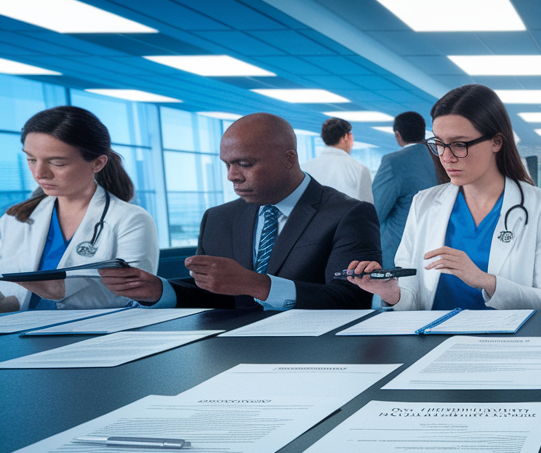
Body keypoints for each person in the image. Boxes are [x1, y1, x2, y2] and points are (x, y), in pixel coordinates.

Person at [99, 113, 380, 309]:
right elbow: (216, 295)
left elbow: (353, 299)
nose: (232, 176)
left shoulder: (349, 214)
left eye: (245, 164)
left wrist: (260, 285)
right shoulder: (218, 218)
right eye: (227, 164)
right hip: (228, 356)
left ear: (289, 159)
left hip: (314, 357)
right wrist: (162, 291)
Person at [344, 85, 541, 310]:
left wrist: (485, 281)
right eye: (439, 144)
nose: (446, 157)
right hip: (434, 341)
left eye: (459, 145)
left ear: (496, 142)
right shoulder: (424, 203)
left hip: (503, 342)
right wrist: (391, 293)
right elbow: (412, 300)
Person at [0, 106, 158, 311]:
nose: (40, 174)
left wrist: (60, 290)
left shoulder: (131, 220)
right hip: (17, 336)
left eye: (57, 163)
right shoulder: (15, 220)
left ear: (98, 163)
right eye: (31, 159)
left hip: (95, 336)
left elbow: (134, 293)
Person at [373, 110, 439, 265]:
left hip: (399, 251)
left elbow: (377, 211)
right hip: (434, 247)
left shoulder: (393, 162)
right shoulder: (440, 159)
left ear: (398, 135)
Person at [301, 117, 373, 203]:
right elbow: (367, 207)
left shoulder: (304, 168)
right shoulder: (359, 169)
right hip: (348, 216)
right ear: (346, 137)